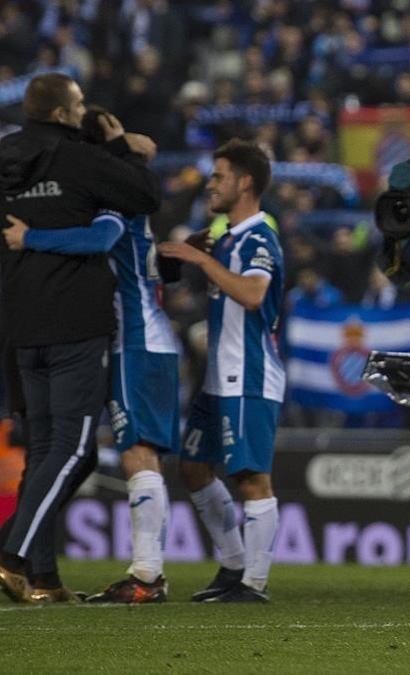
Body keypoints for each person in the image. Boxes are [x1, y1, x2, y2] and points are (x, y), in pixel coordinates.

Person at [2, 106, 180, 604]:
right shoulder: (127, 188)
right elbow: (145, 151)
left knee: (130, 452)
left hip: (133, 336)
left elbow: (102, 236)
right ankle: (46, 572)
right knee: (80, 456)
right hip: (140, 335)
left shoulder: (107, 196)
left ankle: (147, 576)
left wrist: (28, 236)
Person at [158, 139, 285, 603]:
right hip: (219, 379)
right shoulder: (227, 237)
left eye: (218, 176)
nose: (210, 184)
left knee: (251, 479)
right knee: (192, 468)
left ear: (245, 182)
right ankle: (233, 565)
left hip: (248, 376)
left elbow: (253, 295)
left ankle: (254, 582)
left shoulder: (258, 237)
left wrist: (201, 260)